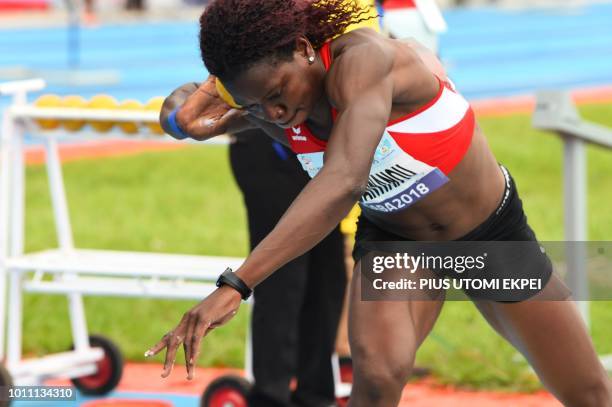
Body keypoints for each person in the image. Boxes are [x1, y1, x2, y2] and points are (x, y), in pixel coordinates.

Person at [145, 1, 612, 406]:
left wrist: (236, 284)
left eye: (276, 94)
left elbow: (345, 180)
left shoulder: (365, 60)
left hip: (486, 235)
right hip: (397, 243)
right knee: (377, 380)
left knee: (589, 394)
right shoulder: (266, 101)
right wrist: (188, 114)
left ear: (305, 48)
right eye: (255, 104)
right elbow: (177, 110)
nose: (275, 114)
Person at [161, 84, 347, 407]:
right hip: (270, 157)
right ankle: (270, 395)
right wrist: (183, 117)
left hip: (316, 153)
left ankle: (316, 395)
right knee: (281, 279)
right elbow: (181, 114)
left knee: (328, 278)